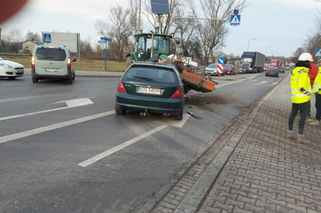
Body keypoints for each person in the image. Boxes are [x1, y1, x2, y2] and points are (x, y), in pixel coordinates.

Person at [288, 53, 313, 144]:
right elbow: (302, 87)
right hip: (303, 99)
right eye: (309, 62)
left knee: (293, 115)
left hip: (295, 98)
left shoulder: (295, 71)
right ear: (306, 62)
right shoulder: (303, 72)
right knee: (303, 117)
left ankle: (290, 133)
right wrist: (309, 93)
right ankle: (301, 137)